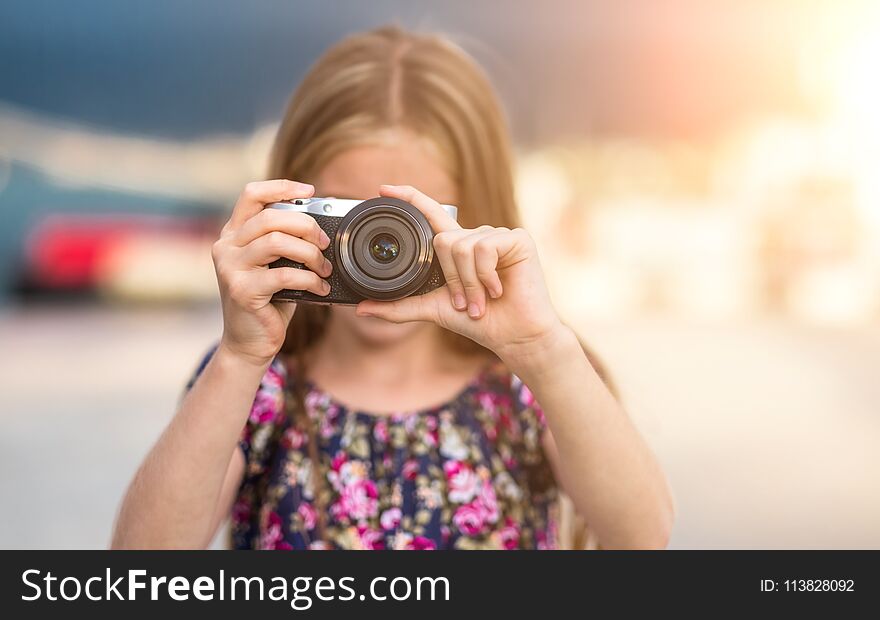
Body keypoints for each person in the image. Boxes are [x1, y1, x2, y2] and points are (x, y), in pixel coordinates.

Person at [111, 26, 673, 550]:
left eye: (405, 225)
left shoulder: (532, 382)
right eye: (345, 217)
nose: (373, 255)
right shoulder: (256, 388)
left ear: (476, 220)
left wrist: (543, 351)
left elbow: (642, 537)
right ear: (290, 209)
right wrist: (238, 357)